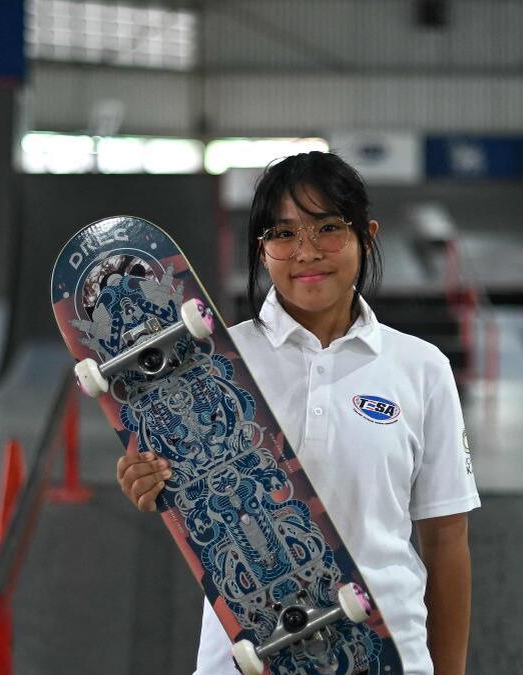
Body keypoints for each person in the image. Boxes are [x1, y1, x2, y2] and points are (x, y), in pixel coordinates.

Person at [115, 151, 480, 674]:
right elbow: (182, 491)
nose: (307, 252)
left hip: (386, 656)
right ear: (262, 250)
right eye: (283, 234)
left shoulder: (421, 368)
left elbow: (447, 541)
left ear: (366, 235)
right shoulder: (212, 365)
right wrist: (146, 478)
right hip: (242, 661)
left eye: (328, 228)